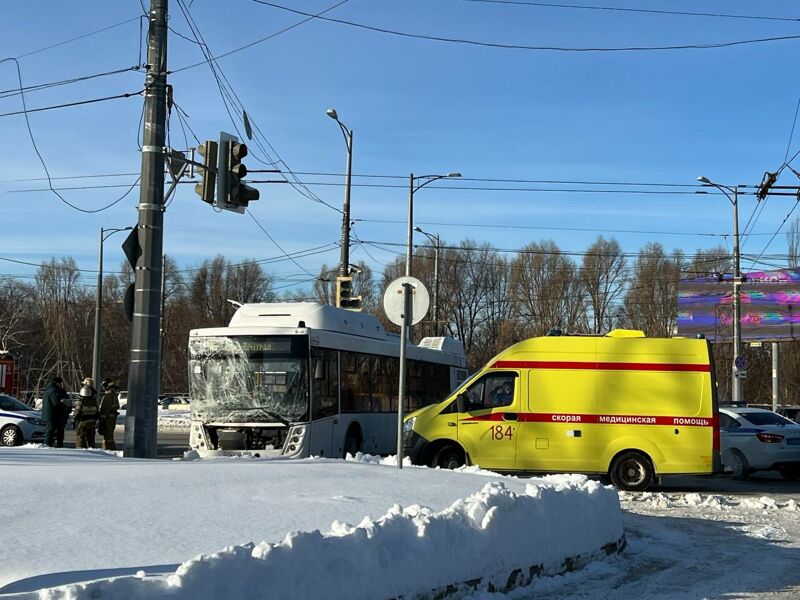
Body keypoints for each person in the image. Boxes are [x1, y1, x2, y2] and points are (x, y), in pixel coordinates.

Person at [41, 375, 69, 447]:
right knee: (50, 432)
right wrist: (64, 404)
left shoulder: (49, 390)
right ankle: (47, 445)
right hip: (53, 416)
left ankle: (48, 445)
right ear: (57, 383)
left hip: (51, 415)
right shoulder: (54, 391)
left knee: (51, 432)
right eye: (60, 383)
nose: (61, 385)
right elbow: (56, 403)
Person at [73, 384, 99, 449]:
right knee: (91, 441)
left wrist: (73, 420)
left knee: (80, 439)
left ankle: (80, 453)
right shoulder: (94, 402)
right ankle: (92, 452)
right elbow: (97, 413)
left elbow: (77, 413)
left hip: (83, 424)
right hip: (92, 424)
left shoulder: (81, 402)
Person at [97, 378, 120, 450]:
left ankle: (109, 450)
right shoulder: (114, 394)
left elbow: (105, 408)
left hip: (108, 419)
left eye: (103, 386)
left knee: (108, 436)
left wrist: (102, 420)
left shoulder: (108, 395)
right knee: (109, 436)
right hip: (112, 418)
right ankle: (108, 449)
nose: (103, 388)